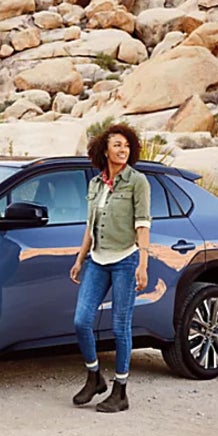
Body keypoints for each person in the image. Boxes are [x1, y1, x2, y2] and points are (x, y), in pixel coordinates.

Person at [69, 123, 151, 413]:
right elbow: (90, 226)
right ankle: (94, 377)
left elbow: (143, 225)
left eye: (127, 145)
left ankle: (120, 391)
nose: (123, 150)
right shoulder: (95, 184)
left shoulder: (137, 182)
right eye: (117, 145)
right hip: (97, 260)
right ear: (104, 150)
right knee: (81, 321)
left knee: (120, 326)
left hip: (126, 260)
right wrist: (80, 259)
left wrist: (143, 264)